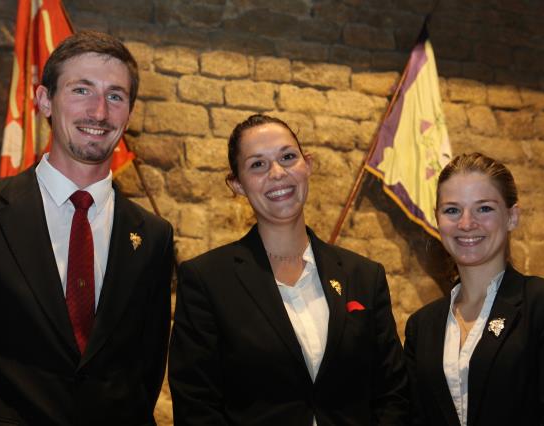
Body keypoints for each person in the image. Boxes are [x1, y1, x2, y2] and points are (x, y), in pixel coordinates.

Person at [0, 31, 174, 425]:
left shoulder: (152, 236)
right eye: (81, 90)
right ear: (44, 99)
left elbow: (144, 375)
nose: (99, 112)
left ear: (129, 113)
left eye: (115, 96)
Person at [169, 114, 408, 425]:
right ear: (237, 184)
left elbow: (392, 393)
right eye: (258, 164)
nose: (277, 173)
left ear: (307, 165)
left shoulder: (363, 276)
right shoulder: (207, 280)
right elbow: (196, 405)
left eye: (287, 157)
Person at [404, 152, 544, 425]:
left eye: (484, 208)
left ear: (512, 217)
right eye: (452, 210)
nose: (466, 223)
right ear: (437, 219)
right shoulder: (421, 327)